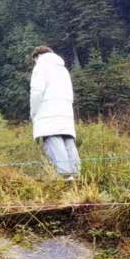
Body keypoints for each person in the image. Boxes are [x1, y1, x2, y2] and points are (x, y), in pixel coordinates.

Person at [29, 45, 81, 179]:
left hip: (48, 113)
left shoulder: (40, 66)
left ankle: (64, 176)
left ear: (37, 56)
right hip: (65, 112)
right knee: (68, 141)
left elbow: (36, 93)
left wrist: (33, 113)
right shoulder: (63, 69)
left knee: (53, 141)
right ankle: (76, 174)